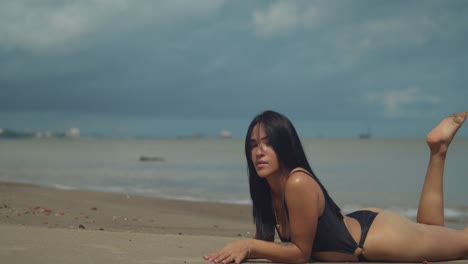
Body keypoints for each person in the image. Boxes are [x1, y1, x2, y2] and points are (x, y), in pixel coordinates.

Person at [203, 110, 468, 264]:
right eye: (252, 145)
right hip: (360, 226)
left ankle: (438, 150)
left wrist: (248, 247)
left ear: (284, 145)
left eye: (267, 143)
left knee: (463, 243)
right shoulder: (265, 188)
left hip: (377, 239)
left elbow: (299, 254)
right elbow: (266, 243)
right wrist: (244, 251)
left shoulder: (297, 182)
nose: (259, 152)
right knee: (434, 232)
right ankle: (438, 149)